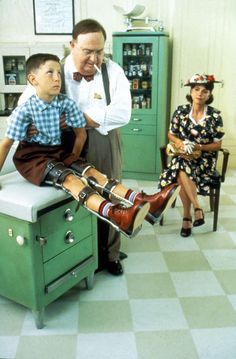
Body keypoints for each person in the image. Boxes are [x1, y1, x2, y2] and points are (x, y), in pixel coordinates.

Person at [17, 19, 179, 275]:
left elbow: (123, 113)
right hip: (60, 142)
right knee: (73, 194)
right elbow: (25, 104)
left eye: (100, 51)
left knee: (109, 189)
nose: (94, 58)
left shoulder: (113, 71)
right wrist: (31, 123)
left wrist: (79, 117)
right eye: (87, 51)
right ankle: (81, 255)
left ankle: (110, 254)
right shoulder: (51, 69)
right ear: (72, 45)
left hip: (102, 137)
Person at [158, 74, 224, 237]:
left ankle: (187, 217)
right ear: (191, 92)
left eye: (204, 91)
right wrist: (181, 144)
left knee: (180, 170)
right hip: (182, 155)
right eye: (196, 89)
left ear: (209, 95)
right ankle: (196, 208)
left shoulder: (215, 116)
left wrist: (199, 146)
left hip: (204, 160)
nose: (200, 93)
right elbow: (171, 134)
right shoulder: (180, 111)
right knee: (181, 164)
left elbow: (217, 145)